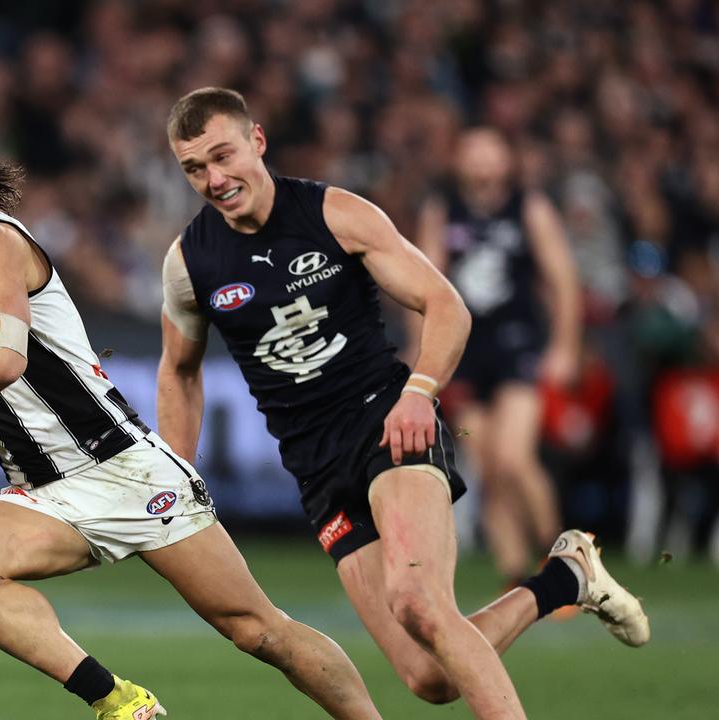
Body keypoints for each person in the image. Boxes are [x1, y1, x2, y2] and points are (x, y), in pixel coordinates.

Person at [0, 85, 382, 720]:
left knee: (258, 631)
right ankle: (120, 703)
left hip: (119, 466)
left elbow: (0, 360)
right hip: (42, 488)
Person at [155, 87, 650, 720]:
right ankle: (567, 577)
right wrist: (178, 474)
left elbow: (446, 304)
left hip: (388, 421)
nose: (214, 179)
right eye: (194, 168)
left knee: (418, 600)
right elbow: (179, 370)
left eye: (223, 156)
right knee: (427, 677)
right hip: (315, 466)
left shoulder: (336, 213)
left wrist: (419, 392)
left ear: (257, 141)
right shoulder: (189, 262)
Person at [415, 128, 582, 586]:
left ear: (508, 161)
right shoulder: (442, 210)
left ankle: (563, 560)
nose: (484, 163)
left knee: (513, 458)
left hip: (518, 349)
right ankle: (516, 576)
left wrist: (565, 346)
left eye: (492, 152)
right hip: (465, 356)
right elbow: (424, 286)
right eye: (473, 153)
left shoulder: (529, 207)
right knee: (486, 466)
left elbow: (564, 279)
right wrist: (423, 360)